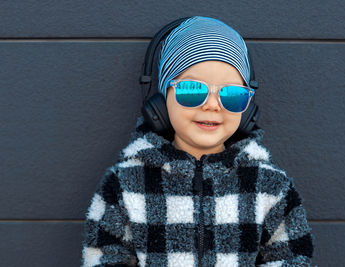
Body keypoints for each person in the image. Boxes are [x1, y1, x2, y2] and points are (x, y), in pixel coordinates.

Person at [80, 16, 315, 267]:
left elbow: (293, 258)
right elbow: (104, 259)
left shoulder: (269, 185)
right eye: (192, 90)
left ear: (246, 110)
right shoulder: (124, 184)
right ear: (160, 101)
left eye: (232, 95)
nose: (212, 105)